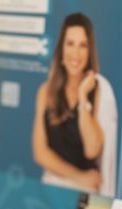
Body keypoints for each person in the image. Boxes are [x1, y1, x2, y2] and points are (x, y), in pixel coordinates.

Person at [32, 12, 110, 193]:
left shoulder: (98, 91)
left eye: (83, 45)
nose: (75, 53)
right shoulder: (46, 91)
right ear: (61, 49)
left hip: (90, 190)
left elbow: (92, 150)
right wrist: (78, 177)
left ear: (90, 52)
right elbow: (40, 152)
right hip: (55, 185)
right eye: (70, 44)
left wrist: (83, 98)